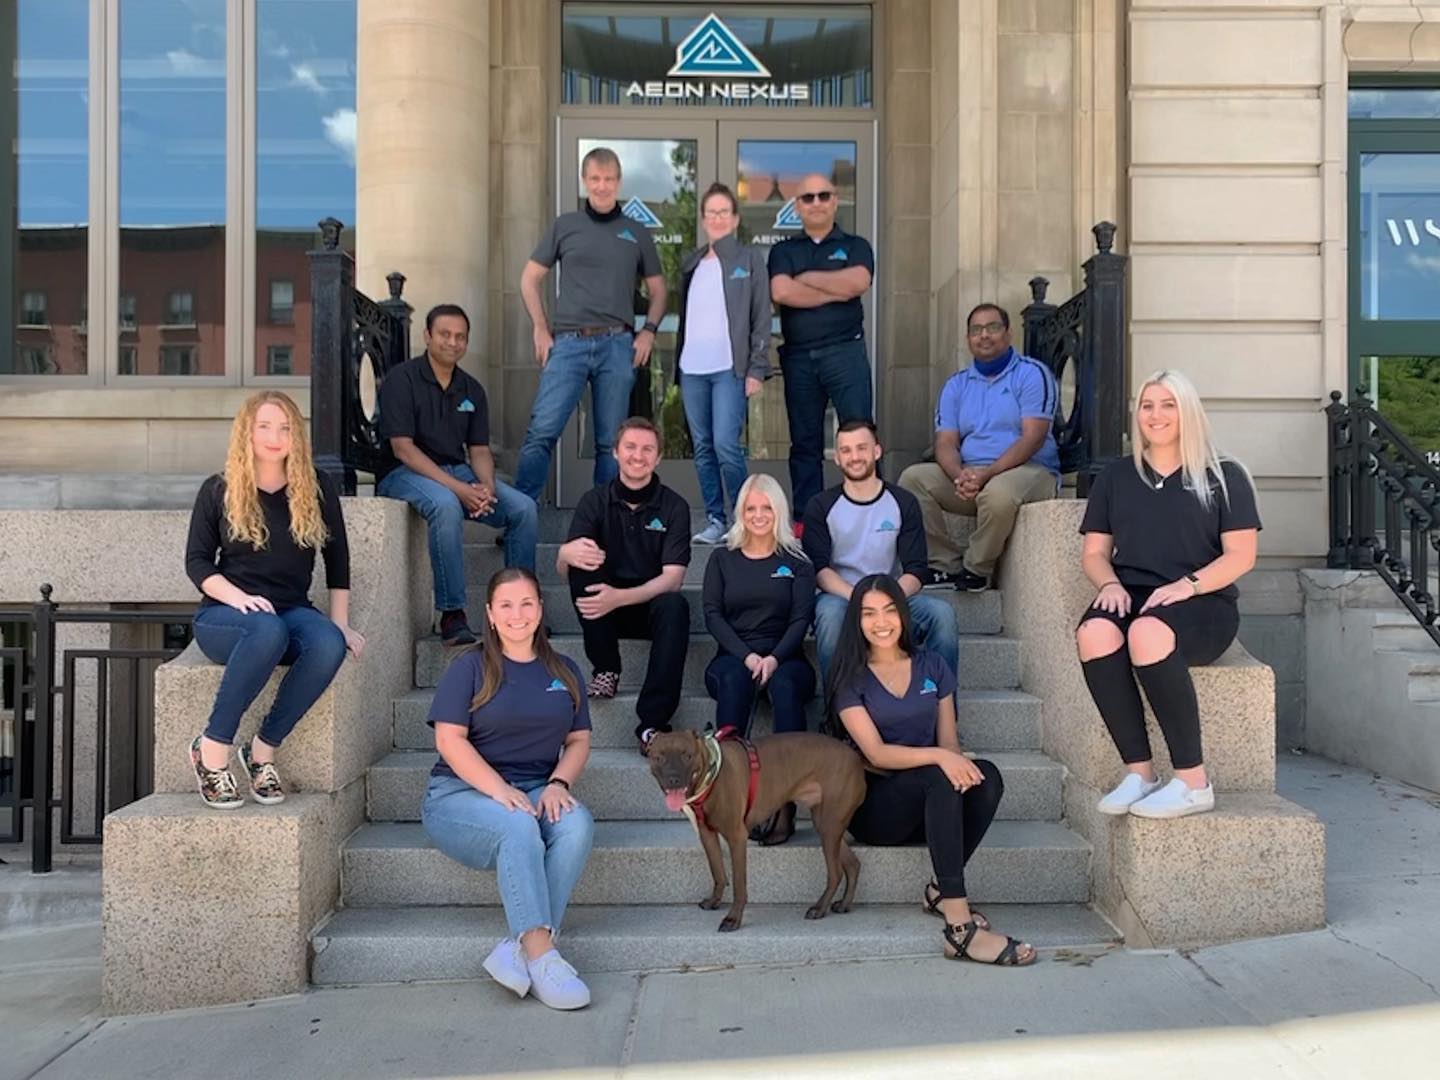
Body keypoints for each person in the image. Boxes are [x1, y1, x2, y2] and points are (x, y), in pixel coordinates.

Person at [1076, 370, 1260, 819]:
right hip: (1133, 592)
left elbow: (1241, 556)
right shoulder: (1117, 476)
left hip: (1204, 601)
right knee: (1095, 633)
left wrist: (1188, 585)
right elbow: (1095, 553)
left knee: (1147, 633)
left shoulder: (1223, 475)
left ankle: (1193, 783)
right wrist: (1110, 584)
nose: (1156, 415)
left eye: (1168, 404)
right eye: (1147, 405)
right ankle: (1140, 773)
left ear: (1187, 411)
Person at [829, 574, 1034, 966]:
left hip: (928, 797)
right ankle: (960, 931)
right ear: (856, 621)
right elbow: (876, 753)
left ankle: (940, 891)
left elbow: (949, 744)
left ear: (904, 615)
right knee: (941, 771)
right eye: (869, 613)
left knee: (986, 777)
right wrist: (941, 759)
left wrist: (950, 759)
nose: (881, 621)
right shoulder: (850, 678)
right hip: (875, 807)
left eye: (890, 610)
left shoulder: (933, 666)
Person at [421, 568, 595, 1010]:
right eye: (506, 605)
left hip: (536, 787)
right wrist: (498, 789)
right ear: (490, 615)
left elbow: (578, 741)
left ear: (540, 609)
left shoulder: (565, 670)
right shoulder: (470, 667)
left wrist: (558, 782)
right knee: (518, 826)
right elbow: (448, 740)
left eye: (526, 604)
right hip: (459, 795)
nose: (517, 614)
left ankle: (520, 949)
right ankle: (542, 956)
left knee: (575, 824)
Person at [184, 391, 364, 809]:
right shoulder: (219, 489)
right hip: (225, 616)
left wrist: (340, 623)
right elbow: (196, 563)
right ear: (247, 431)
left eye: (285, 428)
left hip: (290, 611)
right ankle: (211, 751)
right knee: (266, 628)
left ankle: (261, 752)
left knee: (326, 644)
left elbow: (337, 558)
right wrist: (239, 597)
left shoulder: (316, 485)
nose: (275, 436)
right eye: (264, 426)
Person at [376, 303, 539, 646]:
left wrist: (486, 489)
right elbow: (403, 448)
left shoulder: (472, 389)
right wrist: (459, 489)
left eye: (460, 337)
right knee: (446, 505)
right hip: (403, 472)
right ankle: (452, 613)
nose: (453, 342)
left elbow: (479, 450)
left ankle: (520, 610)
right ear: (427, 336)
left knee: (523, 509)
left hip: (457, 470)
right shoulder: (401, 380)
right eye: (444, 334)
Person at [516, 146, 667, 501]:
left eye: (609, 179)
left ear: (619, 182)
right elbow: (528, 279)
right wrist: (540, 326)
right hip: (568, 344)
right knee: (541, 431)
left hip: (617, 346)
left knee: (610, 444)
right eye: (595, 179)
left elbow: (659, 290)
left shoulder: (636, 231)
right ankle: (520, 517)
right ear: (585, 181)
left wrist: (648, 331)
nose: (602, 186)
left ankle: (606, 524)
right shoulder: (565, 226)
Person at [899, 303, 1061, 592]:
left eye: (993, 327)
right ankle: (944, 565)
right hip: (973, 476)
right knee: (912, 480)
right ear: (968, 338)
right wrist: (959, 475)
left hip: (1029, 471)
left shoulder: (1032, 374)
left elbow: (1032, 438)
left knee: (998, 495)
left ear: (1009, 334)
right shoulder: (956, 385)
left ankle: (977, 570)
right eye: (976, 330)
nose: (984, 335)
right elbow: (945, 442)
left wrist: (987, 474)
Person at [556, 417, 690, 751]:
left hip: (649, 607)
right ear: (616, 452)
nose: (638, 455)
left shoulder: (674, 507)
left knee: (676, 604)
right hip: (604, 614)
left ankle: (652, 725)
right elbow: (566, 571)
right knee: (581, 566)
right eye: (630, 447)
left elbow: (673, 578)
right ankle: (606, 668)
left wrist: (619, 597)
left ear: (658, 458)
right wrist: (562, 553)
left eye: (648, 449)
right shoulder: (594, 502)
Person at [701, 474, 816, 845]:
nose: (759, 515)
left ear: (779, 510)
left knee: (784, 686)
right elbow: (712, 615)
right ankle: (730, 795)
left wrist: (775, 658)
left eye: (766, 507)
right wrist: (749, 656)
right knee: (734, 680)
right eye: (751, 508)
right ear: (740, 513)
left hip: (788, 658)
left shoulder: (797, 562)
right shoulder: (722, 559)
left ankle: (784, 805)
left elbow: (801, 619)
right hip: (733, 656)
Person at [803, 420, 959, 687]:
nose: (854, 457)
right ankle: (836, 716)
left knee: (942, 615)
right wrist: (860, 599)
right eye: (846, 450)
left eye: (861, 448)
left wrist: (886, 602)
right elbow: (820, 570)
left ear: (876, 451)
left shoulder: (902, 501)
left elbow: (916, 570)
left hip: (893, 594)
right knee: (829, 616)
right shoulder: (821, 505)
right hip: (841, 597)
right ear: (838, 458)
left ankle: (939, 712)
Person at [768, 172, 876, 517]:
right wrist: (835, 287)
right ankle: (806, 522)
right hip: (799, 358)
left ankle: (866, 514)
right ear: (797, 206)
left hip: (846, 352)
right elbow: (781, 291)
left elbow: (858, 281)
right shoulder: (783, 250)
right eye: (808, 197)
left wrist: (809, 279)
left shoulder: (857, 245)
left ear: (836, 200)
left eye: (823, 196)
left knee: (859, 436)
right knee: (804, 445)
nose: (816, 203)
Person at [678, 181, 770, 545]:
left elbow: (761, 317)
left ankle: (742, 519)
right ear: (703, 219)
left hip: (729, 370)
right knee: (702, 447)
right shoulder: (691, 262)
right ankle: (716, 519)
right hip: (691, 370)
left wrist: (757, 368)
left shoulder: (749, 260)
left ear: (734, 219)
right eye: (710, 212)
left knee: (725, 445)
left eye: (723, 212)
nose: (716, 218)